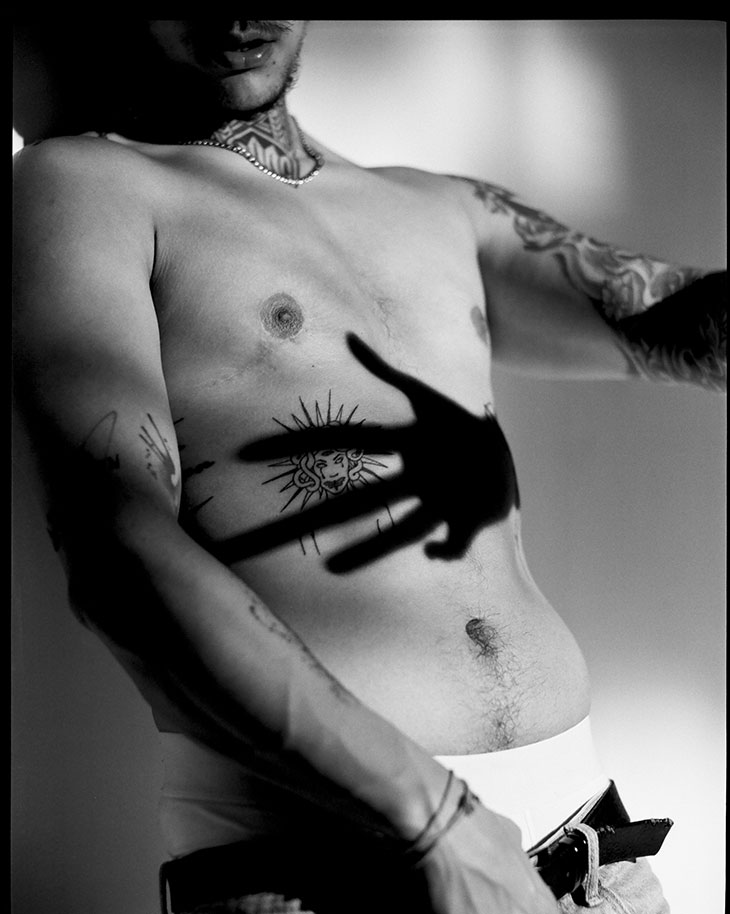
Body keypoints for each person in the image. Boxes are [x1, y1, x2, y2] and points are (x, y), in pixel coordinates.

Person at [11, 19, 726, 914]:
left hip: (591, 863)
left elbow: (679, 321)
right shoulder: (84, 186)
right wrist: (438, 824)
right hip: (337, 872)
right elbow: (115, 553)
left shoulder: (441, 208)